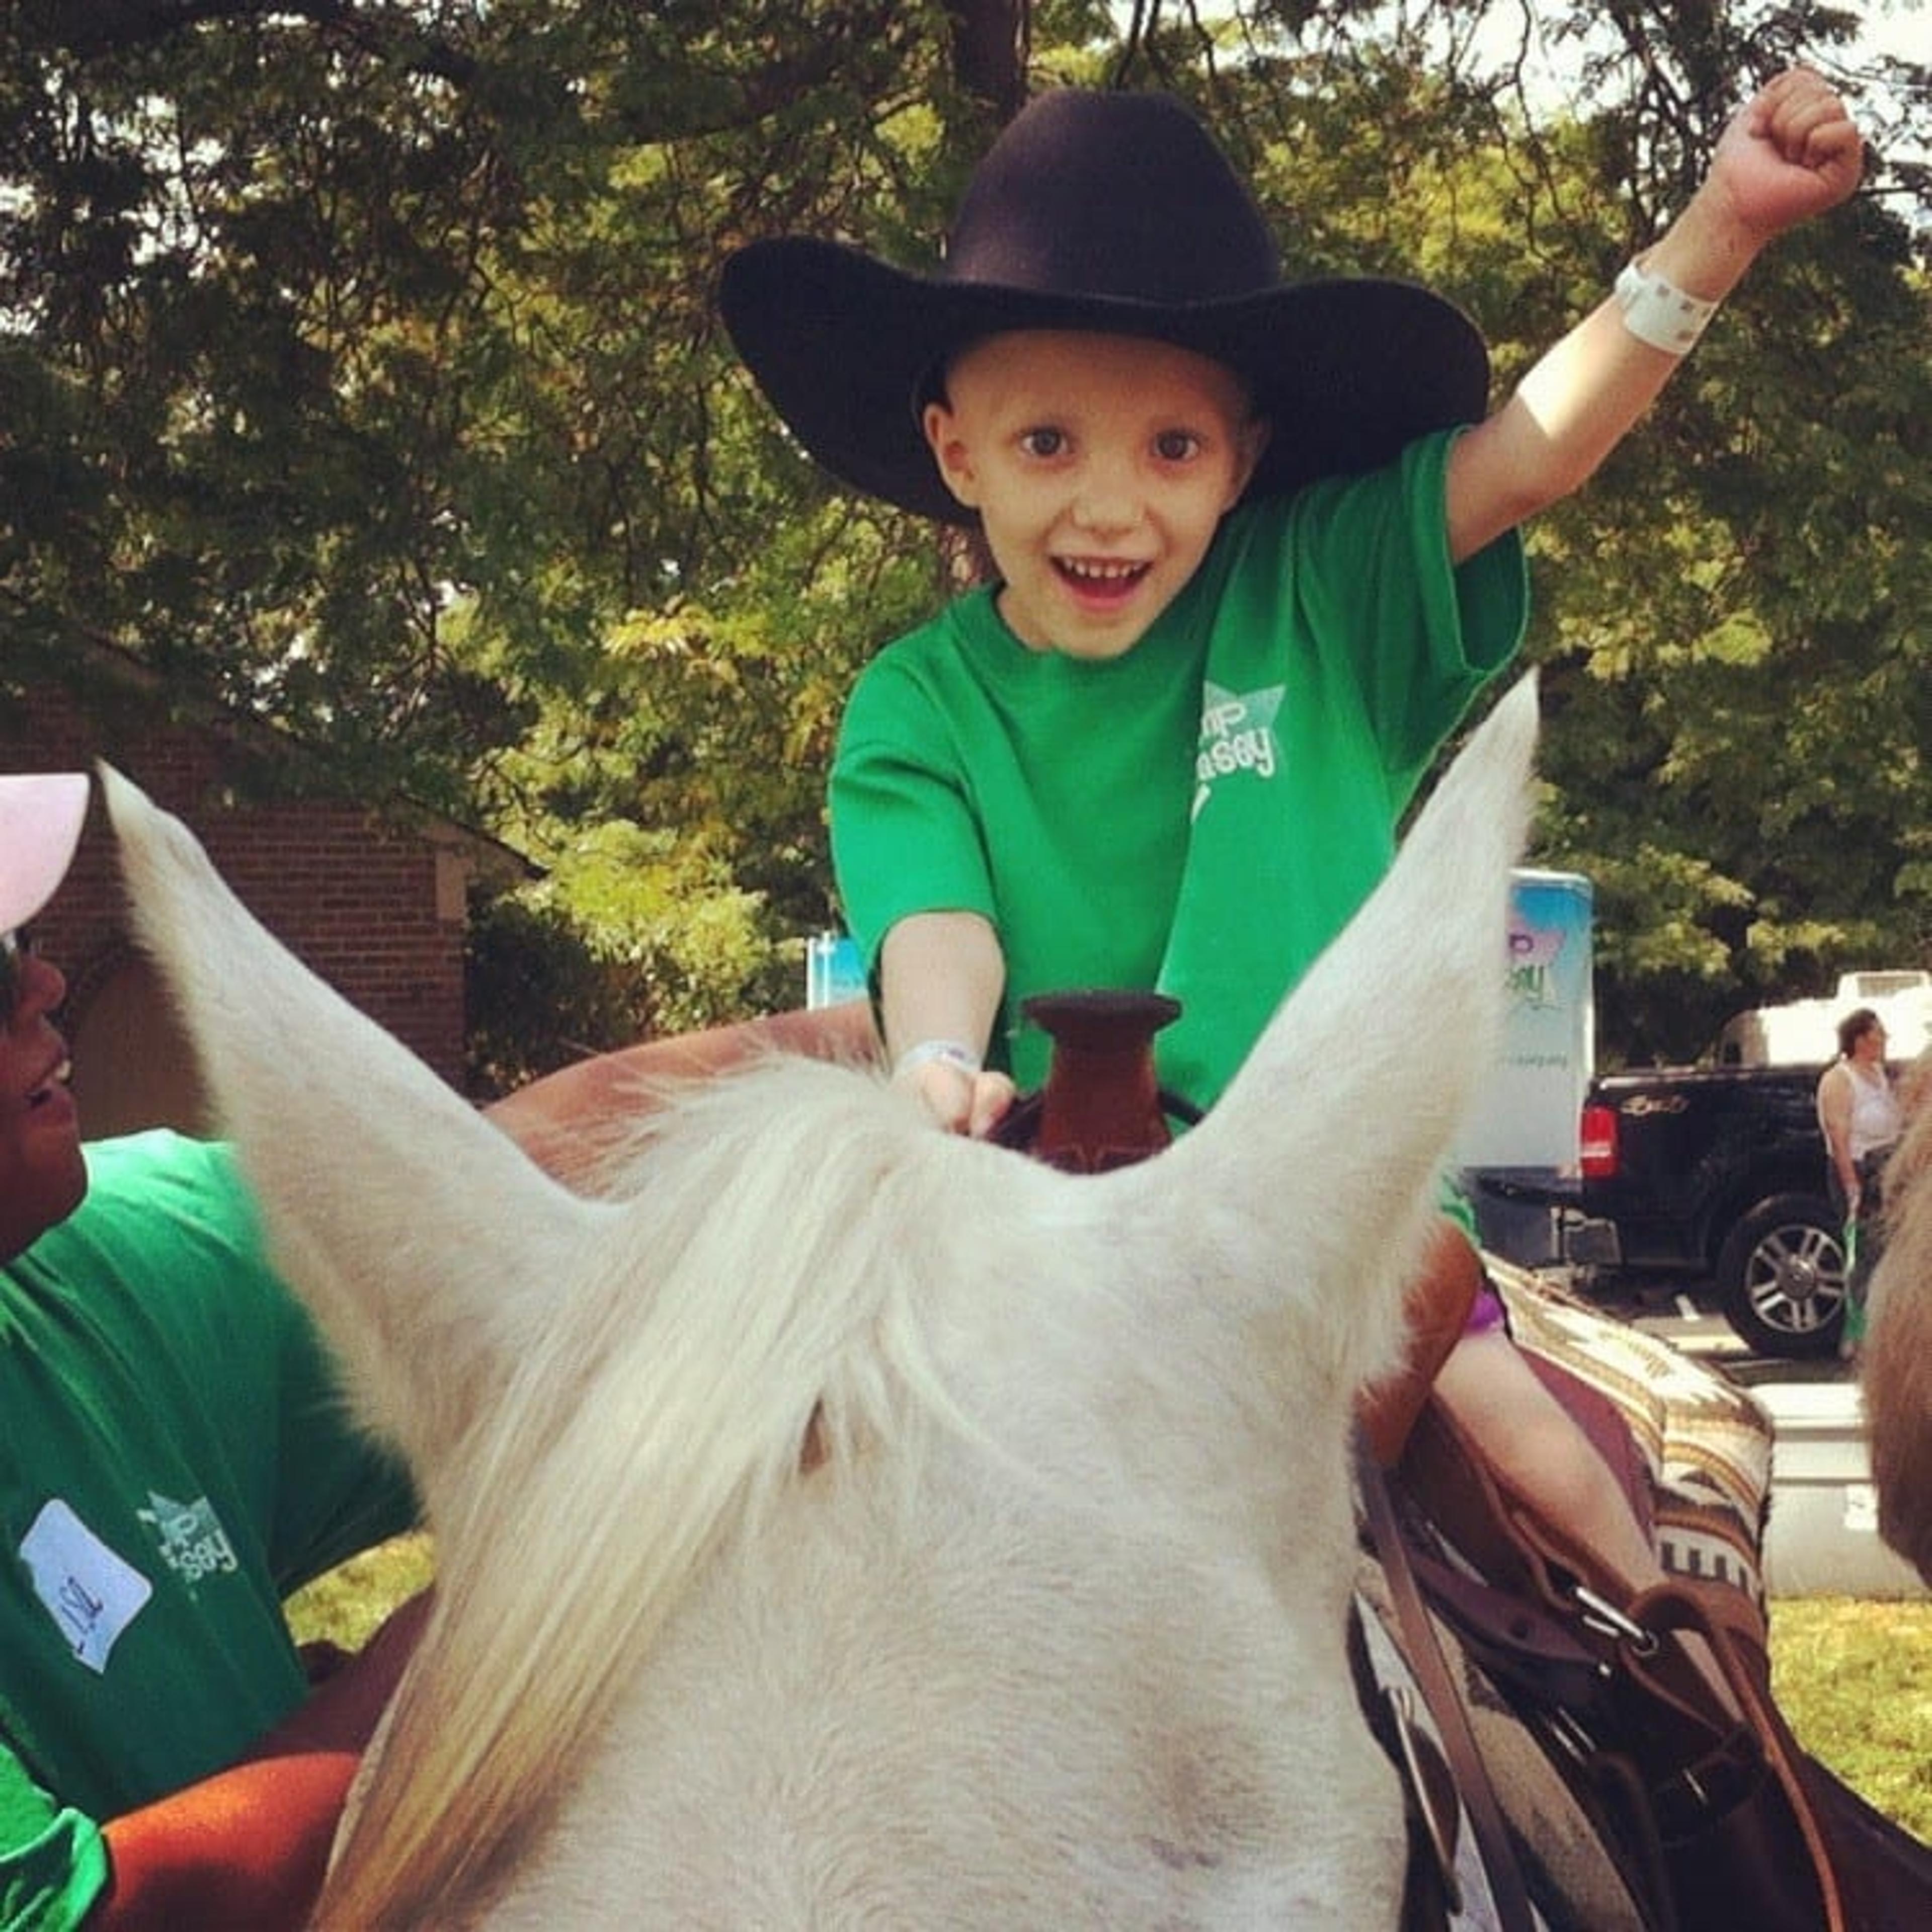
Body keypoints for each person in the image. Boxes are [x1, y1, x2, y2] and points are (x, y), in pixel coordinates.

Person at [721, 78, 1862, 1623]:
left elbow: (1526, 453)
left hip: (1337, 1227)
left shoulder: (1316, 593)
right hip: (1042, 1221)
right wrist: (933, 1063)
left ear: (1241, 458)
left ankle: (1708, 1797)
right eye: (1045, 439)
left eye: (1171, 445)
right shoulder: (916, 702)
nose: (1107, 503)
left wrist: (1717, 226)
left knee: (1551, 1483)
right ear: (954, 448)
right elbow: (940, 923)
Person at [1, 770, 439, 1931]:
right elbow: (116, 1913)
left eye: (28, 941)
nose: (45, 982)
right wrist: (482, 1637)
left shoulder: (75, 1280)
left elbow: (517, 1163)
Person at [1817, 1004, 1904, 1355]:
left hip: (1886, 1169)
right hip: (1857, 1169)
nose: (1884, 1040)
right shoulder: (1840, 1079)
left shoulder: (1881, 1076)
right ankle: (1856, 1335)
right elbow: (1839, 1133)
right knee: (1862, 1255)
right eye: (1878, 1034)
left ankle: (1881, 1329)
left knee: (1885, 1253)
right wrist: (1851, 1184)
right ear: (1860, 1038)